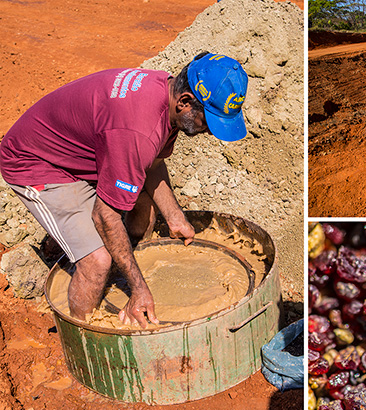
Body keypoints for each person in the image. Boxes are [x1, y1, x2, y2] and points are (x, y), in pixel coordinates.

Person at [0, 51, 248, 328]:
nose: (210, 132)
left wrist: (175, 217)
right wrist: (138, 289)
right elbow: (104, 216)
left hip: (85, 151)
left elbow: (151, 164)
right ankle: (83, 337)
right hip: (36, 162)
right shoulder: (137, 130)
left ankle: (124, 262)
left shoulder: (166, 95)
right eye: (208, 122)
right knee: (97, 261)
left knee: (145, 207)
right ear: (185, 102)